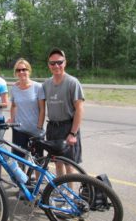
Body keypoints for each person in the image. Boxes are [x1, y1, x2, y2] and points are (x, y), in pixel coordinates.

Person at [43, 47, 84, 177]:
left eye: (59, 62)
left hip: (67, 128)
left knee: (69, 164)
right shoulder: (46, 84)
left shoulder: (72, 82)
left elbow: (79, 108)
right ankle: (59, 191)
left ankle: (69, 196)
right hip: (52, 128)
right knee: (57, 162)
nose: (56, 66)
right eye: (52, 63)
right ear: (49, 65)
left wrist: (73, 133)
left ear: (65, 63)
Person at [9, 58, 45, 166]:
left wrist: (39, 126)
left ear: (29, 71)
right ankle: (22, 182)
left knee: (37, 160)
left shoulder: (38, 87)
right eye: (18, 70)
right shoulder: (14, 88)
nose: (21, 72)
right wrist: (12, 120)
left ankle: (37, 181)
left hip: (35, 130)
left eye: (24, 69)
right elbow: (13, 106)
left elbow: (42, 109)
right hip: (19, 130)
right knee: (20, 159)